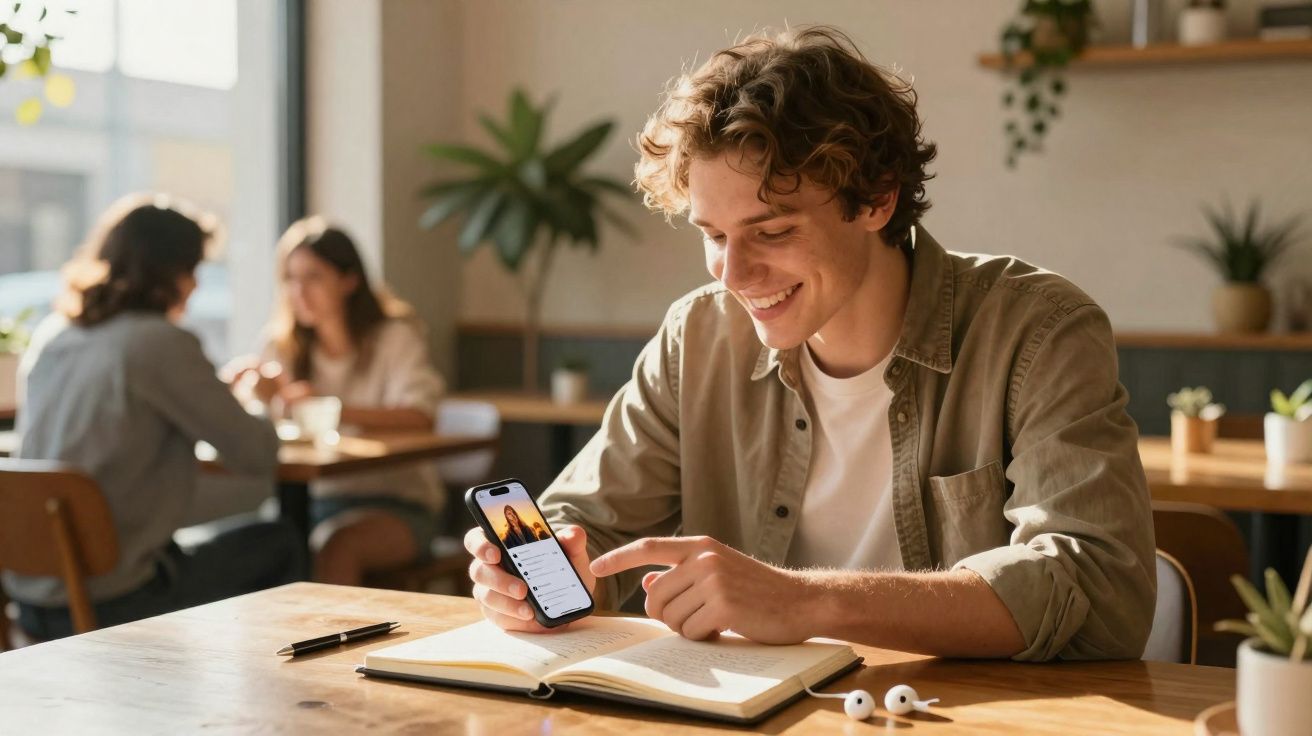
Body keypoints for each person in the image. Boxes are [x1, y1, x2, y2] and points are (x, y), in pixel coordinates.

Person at [464, 26, 1156, 662]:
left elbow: (1092, 585)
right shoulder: (698, 336)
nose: (733, 275)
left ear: (877, 199)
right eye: (712, 236)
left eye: (771, 232)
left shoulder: (1037, 331)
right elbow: (585, 520)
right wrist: (544, 572)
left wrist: (805, 601)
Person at [4, 194, 304, 640]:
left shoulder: (54, 337)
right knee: (280, 542)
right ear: (170, 273)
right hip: (115, 605)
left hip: (29, 604)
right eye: (193, 270)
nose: (197, 286)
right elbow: (258, 454)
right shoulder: (159, 343)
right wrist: (258, 399)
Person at [226, 217, 445, 587]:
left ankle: (335, 645)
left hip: (398, 504)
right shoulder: (281, 344)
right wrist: (259, 398)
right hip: (310, 503)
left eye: (313, 277)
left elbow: (421, 417)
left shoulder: (394, 337)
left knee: (336, 544)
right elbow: (271, 426)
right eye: (290, 279)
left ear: (349, 280)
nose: (299, 291)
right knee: (257, 546)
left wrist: (328, 408)